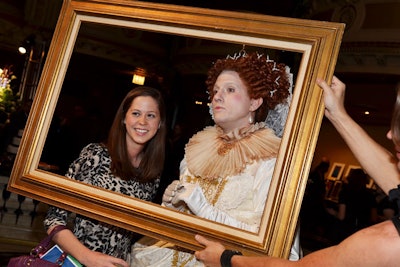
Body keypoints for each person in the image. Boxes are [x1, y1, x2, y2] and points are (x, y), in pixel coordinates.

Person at [193, 75, 400, 267]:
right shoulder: (201, 150)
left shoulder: (388, 242)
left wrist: (226, 259)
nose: (390, 134)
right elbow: (391, 178)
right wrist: (338, 114)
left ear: (255, 102)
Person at [131, 51, 302, 266]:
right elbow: (186, 217)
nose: (217, 97)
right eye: (216, 91)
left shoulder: (271, 160)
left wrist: (202, 208)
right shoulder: (199, 148)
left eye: (230, 90)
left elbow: (272, 244)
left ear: (255, 102)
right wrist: (174, 206)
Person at [43, 86, 167, 267]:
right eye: (136, 113)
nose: (142, 122)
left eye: (151, 115)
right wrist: (87, 257)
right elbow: (53, 218)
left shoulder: (152, 173)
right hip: (75, 262)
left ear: (160, 122)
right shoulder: (96, 155)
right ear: (124, 118)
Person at [327, 168, 378, 242]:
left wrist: (333, 212)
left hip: (345, 230)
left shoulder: (345, 192)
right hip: (362, 232)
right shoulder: (370, 195)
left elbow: (341, 216)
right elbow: (374, 218)